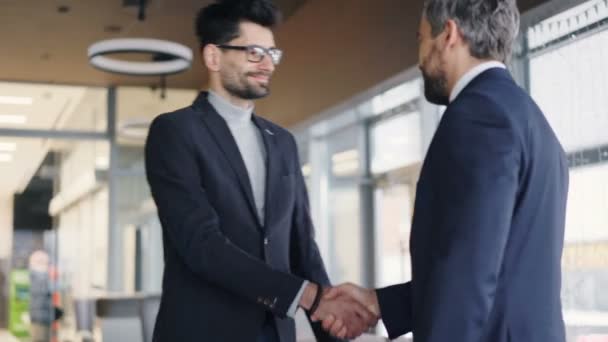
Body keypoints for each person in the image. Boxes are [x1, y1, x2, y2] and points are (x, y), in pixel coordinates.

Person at [316, 0, 569, 341]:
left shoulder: (477, 116)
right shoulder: (532, 121)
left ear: (448, 34)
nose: (419, 59)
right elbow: (492, 265)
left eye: (420, 39)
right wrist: (380, 303)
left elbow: (468, 277)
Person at [144, 0, 374, 341]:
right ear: (213, 57)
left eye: (272, 53)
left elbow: (301, 247)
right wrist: (310, 297)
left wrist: (333, 327)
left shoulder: (282, 142)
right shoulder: (175, 132)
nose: (267, 63)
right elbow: (201, 245)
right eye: (253, 52)